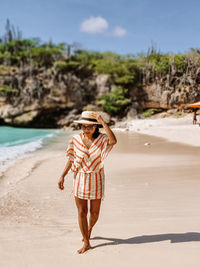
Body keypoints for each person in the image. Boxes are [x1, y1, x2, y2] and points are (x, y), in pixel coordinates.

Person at [58, 111, 117, 254]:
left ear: (96, 127)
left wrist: (103, 122)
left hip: (96, 178)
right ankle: (86, 241)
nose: (86, 129)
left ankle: (89, 230)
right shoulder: (76, 139)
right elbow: (71, 158)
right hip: (80, 178)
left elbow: (113, 141)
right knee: (82, 212)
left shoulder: (102, 139)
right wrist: (63, 175)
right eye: (84, 127)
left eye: (90, 126)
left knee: (94, 213)